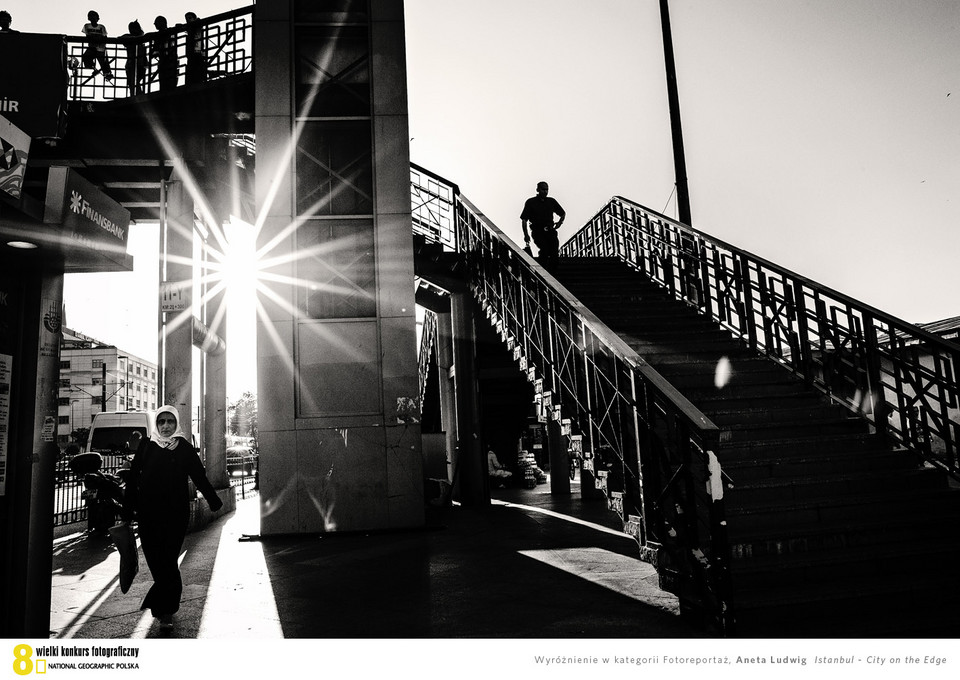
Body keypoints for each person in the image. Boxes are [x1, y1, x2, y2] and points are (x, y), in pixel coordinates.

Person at [122, 405, 223, 630]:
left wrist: (213, 500)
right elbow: (132, 479)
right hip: (148, 515)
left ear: (177, 423)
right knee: (157, 563)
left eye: (170, 422)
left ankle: (165, 611)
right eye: (161, 422)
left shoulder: (184, 448)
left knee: (168, 561)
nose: (166, 426)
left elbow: (199, 475)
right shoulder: (147, 446)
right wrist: (127, 511)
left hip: (175, 515)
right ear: (156, 424)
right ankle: (161, 605)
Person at [520, 181, 565, 273]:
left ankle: (553, 273)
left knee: (554, 252)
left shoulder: (551, 201)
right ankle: (543, 272)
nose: (545, 192)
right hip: (538, 231)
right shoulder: (531, 202)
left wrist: (560, 223)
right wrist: (526, 235)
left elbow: (562, 213)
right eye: (543, 189)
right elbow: (524, 219)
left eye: (547, 189)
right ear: (538, 190)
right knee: (544, 250)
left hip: (550, 231)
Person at [81, 10, 113, 81]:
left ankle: (107, 74)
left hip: (100, 48)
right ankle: (94, 68)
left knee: (103, 62)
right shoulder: (87, 26)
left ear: (97, 18)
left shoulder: (101, 27)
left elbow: (105, 37)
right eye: (90, 16)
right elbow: (88, 36)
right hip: (92, 47)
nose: (92, 18)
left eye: (93, 16)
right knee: (86, 58)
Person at [119, 20, 146, 95]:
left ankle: (137, 96)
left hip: (138, 64)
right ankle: (137, 95)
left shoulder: (141, 37)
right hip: (134, 64)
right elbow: (120, 38)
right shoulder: (138, 38)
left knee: (133, 81)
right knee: (133, 82)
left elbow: (121, 39)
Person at [151, 15, 178, 90]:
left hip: (168, 60)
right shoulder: (170, 32)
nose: (155, 25)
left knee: (167, 81)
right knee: (167, 81)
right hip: (167, 59)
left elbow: (155, 49)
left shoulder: (165, 34)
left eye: (156, 23)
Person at [184, 11, 206, 84]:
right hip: (192, 54)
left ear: (194, 18)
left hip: (197, 52)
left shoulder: (197, 26)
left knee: (197, 73)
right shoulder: (191, 28)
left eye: (189, 18)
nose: (188, 20)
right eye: (186, 19)